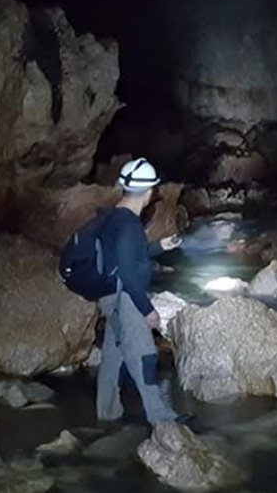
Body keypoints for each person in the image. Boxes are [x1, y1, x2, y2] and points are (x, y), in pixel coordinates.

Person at [95, 157, 182, 425]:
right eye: (153, 189)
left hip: (110, 297)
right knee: (145, 355)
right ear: (146, 193)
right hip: (127, 299)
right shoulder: (131, 225)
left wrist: (160, 246)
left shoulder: (111, 218)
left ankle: (107, 413)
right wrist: (147, 311)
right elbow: (128, 273)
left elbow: (125, 256)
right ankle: (162, 418)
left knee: (112, 357)